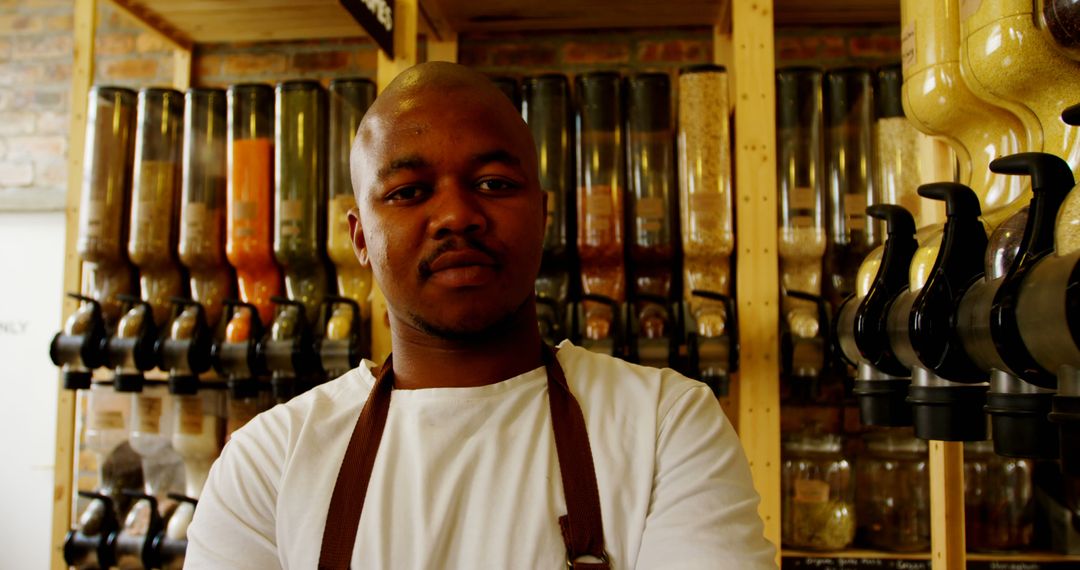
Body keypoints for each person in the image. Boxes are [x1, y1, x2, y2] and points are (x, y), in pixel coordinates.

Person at [186, 62, 776, 569]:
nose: (456, 216)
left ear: (543, 215)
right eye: (409, 192)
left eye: (493, 183)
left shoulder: (667, 426)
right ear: (360, 237)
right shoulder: (267, 463)